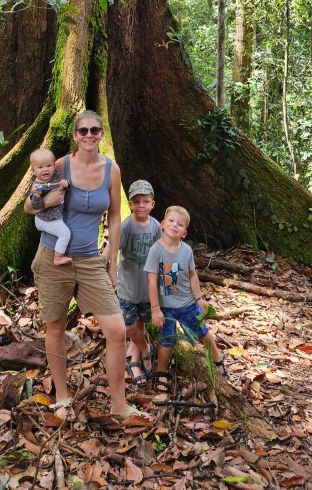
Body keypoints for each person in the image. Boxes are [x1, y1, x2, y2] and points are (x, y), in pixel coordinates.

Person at [24, 110, 142, 419]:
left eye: (95, 130)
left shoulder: (111, 170)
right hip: (53, 258)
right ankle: (62, 397)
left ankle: (119, 405)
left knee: (116, 331)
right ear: (75, 135)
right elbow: (29, 205)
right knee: (56, 327)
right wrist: (47, 201)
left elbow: (114, 217)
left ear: (102, 134)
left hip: (90, 259)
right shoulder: (60, 165)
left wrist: (112, 261)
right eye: (83, 131)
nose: (89, 135)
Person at [144, 204, 227, 399]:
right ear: (162, 224)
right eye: (171, 221)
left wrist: (199, 299)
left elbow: (192, 275)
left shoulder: (186, 250)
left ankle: (217, 359)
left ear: (184, 232)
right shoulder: (156, 250)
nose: (175, 225)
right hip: (166, 308)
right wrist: (155, 309)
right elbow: (151, 280)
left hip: (187, 304)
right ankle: (161, 372)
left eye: (180, 224)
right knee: (167, 342)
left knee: (203, 332)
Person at [117, 179, 162, 388]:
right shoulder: (127, 226)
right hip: (128, 287)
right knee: (130, 327)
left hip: (147, 289)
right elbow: (115, 247)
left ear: (152, 204)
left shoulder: (156, 227)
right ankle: (146, 349)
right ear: (130, 204)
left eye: (145, 201)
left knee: (141, 324)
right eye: (136, 202)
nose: (141, 205)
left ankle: (135, 361)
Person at [29, 147, 72, 265]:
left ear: (54, 166)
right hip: (45, 219)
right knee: (65, 233)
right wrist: (37, 195)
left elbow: (64, 184)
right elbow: (36, 207)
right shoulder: (37, 186)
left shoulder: (55, 176)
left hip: (54, 216)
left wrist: (65, 183)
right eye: (40, 167)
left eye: (49, 166)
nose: (45, 169)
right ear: (33, 170)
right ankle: (58, 258)